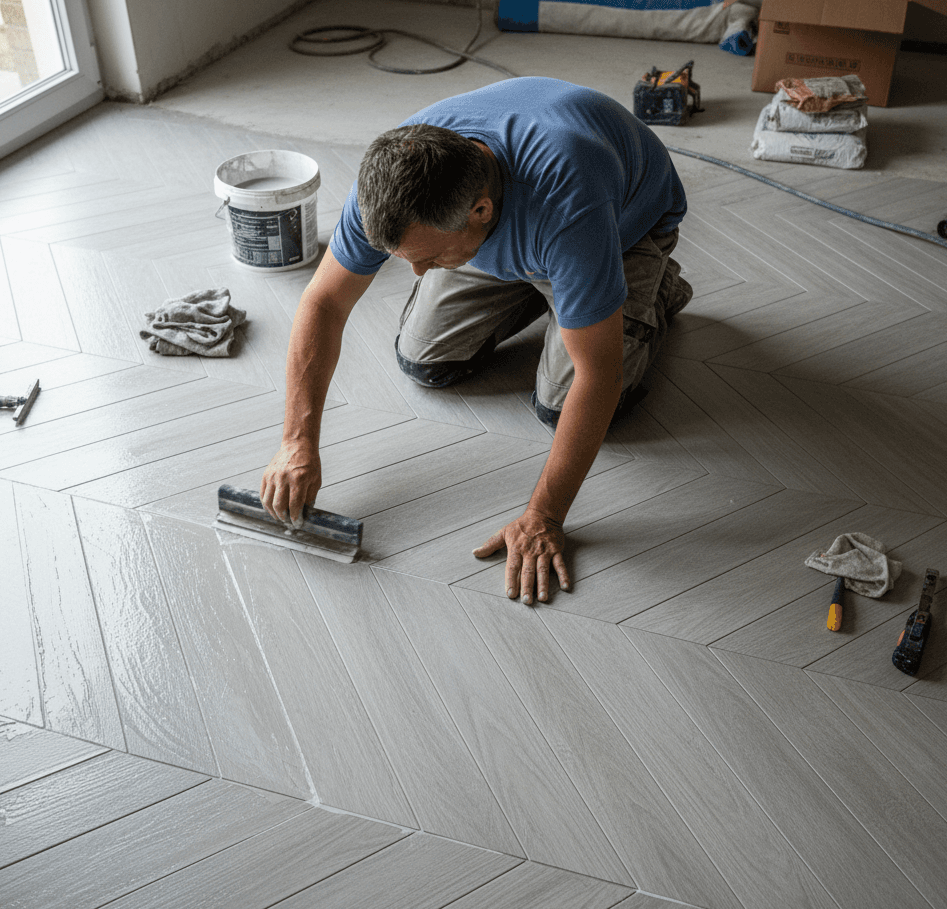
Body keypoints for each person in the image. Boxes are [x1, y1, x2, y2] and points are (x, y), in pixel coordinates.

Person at [260, 76, 692, 605]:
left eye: (428, 256)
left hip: (620, 230)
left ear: (481, 211)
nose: (417, 272)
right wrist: (296, 441)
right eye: (407, 256)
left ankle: (650, 290)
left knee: (563, 404)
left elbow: (598, 375)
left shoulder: (568, 201)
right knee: (425, 360)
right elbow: (324, 303)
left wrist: (544, 515)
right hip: (510, 239)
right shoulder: (394, 181)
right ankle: (558, 296)